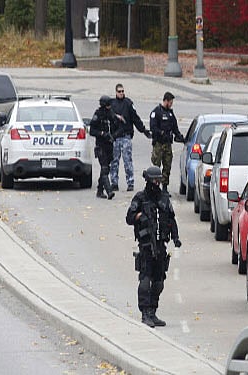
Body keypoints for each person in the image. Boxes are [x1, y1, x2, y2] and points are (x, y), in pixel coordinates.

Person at [126, 166, 182, 327]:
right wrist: (140, 216)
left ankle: (152, 311)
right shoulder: (140, 198)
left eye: (159, 180)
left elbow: (171, 219)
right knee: (145, 281)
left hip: (160, 246)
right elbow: (129, 217)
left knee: (159, 281)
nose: (157, 183)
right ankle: (145, 313)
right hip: (145, 246)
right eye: (154, 180)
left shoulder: (164, 198)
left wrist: (176, 237)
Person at [110, 83, 151, 192]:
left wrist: (143, 130)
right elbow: (107, 117)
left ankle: (130, 183)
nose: (121, 93)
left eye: (123, 91)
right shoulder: (112, 104)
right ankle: (114, 182)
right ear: (115, 92)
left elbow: (135, 119)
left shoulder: (128, 103)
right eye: (119, 91)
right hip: (115, 138)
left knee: (127, 161)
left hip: (126, 137)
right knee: (114, 162)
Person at [149, 91, 184, 195]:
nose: (171, 104)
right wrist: (161, 133)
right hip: (158, 144)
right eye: (171, 102)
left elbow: (175, 128)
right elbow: (153, 127)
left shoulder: (170, 114)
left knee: (167, 166)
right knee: (156, 167)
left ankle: (164, 188)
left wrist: (181, 137)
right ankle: (154, 187)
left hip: (168, 144)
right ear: (166, 101)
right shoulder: (156, 112)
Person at [89, 95, 119, 200]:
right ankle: (109, 191)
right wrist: (102, 133)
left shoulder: (111, 113)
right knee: (104, 168)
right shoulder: (98, 114)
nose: (110, 106)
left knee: (106, 168)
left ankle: (99, 190)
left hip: (109, 145)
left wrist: (113, 135)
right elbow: (91, 130)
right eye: (108, 104)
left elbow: (116, 126)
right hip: (101, 145)